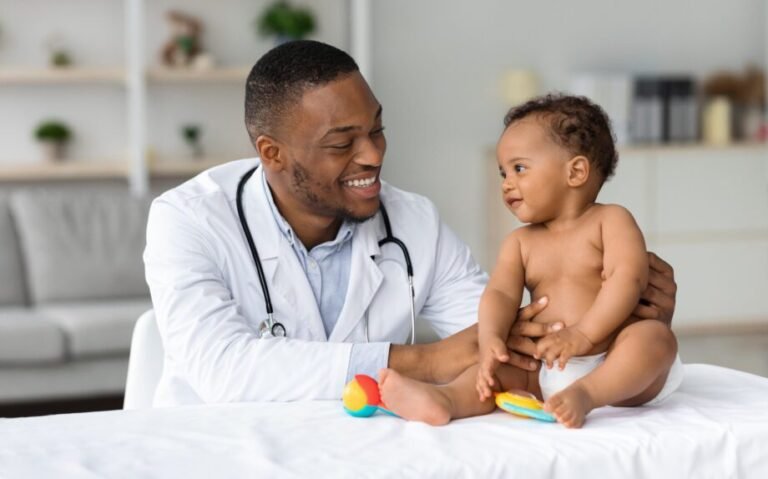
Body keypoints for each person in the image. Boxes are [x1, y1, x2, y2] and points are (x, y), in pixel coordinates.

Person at [144, 40, 678, 407]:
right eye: (342, 143)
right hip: (216, 450)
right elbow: (223, 370)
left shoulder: (413, 221)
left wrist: (617, 320)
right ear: (272, 152)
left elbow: (510, 336)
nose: (373, 155)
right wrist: (423, 361)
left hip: (363, 451)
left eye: (377, 130)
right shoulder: (187, 220)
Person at [379, 94, 683, 428]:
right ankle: (445, 399)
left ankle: (588, 395)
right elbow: (500, 295)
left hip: (615, 364)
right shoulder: (520, 242)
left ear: (576, 171)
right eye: (503, 172)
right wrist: (491, 339)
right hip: (547, 368)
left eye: (519, 168)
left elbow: (627, 279)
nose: (507, 183)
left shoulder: (610, 221)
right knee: (497, 368)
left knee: (654, 339)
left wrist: (582, 335)